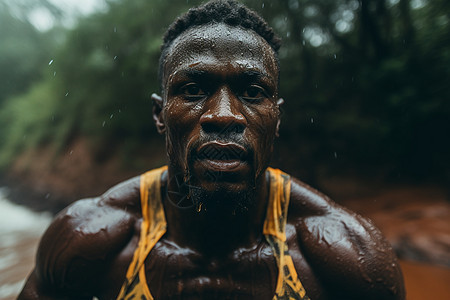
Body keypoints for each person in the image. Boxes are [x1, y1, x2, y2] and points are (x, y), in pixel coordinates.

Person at [18, 1, 405, 299]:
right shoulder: (89, 241)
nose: (224, 116)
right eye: (193, 90)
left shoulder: (347, 257)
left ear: (276, 119)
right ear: (159, 115)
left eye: (252, 93)